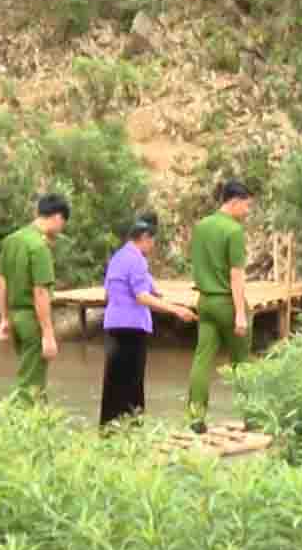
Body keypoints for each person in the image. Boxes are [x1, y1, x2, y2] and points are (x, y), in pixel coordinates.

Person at [100, 214, 197, 425]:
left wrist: (155, 291)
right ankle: (132, 427)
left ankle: (109, 428)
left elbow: (111, 292)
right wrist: (176, 310)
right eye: (152, 241)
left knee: (114, 380)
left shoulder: (118, 257)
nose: (152, 246)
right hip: (132, 327)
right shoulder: (136, 260)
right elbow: (142, 296)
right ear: (144, 237)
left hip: (114, 326)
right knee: (133, 380)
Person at [187, 180, 254, 429]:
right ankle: (252, 417)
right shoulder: (234, 231)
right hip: (228, 302)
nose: (247, 212)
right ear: (234, 202)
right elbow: (236, 275)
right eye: (246, 206)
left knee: (202, 359)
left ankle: (196, 417)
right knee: (242, 361)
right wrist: (239, 314)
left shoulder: (201, 227)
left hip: (204, 301)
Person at [0, 194, 70, 399]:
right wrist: (48, 334)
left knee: (31, 375)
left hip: (14, 317)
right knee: (31, 384)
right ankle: (18, 423)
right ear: (56, 217)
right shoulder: (39, 247)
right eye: (63, 223)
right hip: (32, 320)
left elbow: (1, 281)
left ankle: (40, 424)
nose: (61, 229)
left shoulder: (12, 240)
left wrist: (3, 319)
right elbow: (40, 292)